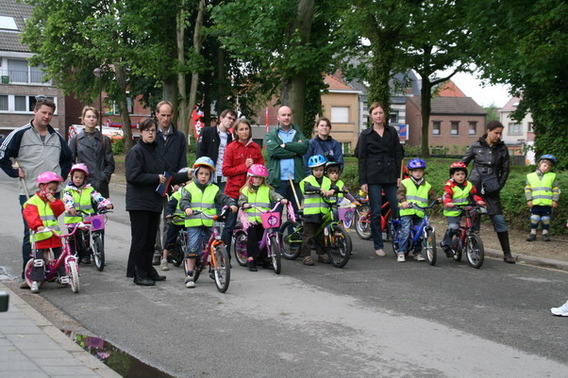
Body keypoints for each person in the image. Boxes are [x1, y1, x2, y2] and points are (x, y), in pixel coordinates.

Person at [0, 97, 73, 286]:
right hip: (30, 192)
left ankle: (53, 270)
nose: (47, 116)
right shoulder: (20, 134)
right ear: (35, 111)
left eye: (50, 113)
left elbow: (67, 158)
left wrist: (62, 176)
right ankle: (30, 274)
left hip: (52, 194)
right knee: (31, 233)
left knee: (52, 231)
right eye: (44, 112)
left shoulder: (56, 137)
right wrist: (15, 171)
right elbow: (2, 155)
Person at [125, 118, 191, 286]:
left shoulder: (157, 151)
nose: (150, 133)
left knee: (149, 240)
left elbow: (168, 175)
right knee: (141, 239)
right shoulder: (136, 151)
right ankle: (139, 274)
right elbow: (132, 176)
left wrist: (187, 175)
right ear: (141, 132)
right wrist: (155, 178)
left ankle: (148, 270)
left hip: (153, 201)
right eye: (147, 130)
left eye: (153, 130)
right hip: (139, 203)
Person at [461, 120, 515, 263]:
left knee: (499, 220)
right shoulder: (475, 146)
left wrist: (499, 186)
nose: (498, 136)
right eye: (496, 133)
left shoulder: (502, 149)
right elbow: (461, 166)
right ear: (488, 131)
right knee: (474, 221)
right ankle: (473, 250)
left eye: (500, 133)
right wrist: (459, 185)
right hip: (475, 188)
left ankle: (507, 253)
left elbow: (505, 170)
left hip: (492, 189)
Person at [179, 157, 237, 288]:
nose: (203, 176)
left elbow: (223, 198)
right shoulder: (189, 188)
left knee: (212, 245)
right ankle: (189, 274)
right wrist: (187, 208)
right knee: (193, 246)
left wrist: (231, 203)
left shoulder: (214, 189)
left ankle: (213, 267)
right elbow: (184, 201)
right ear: (195, 174)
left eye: (207, 174)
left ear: (211, 176)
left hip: (209, 221)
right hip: (193, 222)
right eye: (201, 174)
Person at [356, 102, 404, 257]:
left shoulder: (392, 132)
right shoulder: (365, 134)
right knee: (376, 212)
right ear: (371, 116)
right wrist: (363, 181)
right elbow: (361, 158)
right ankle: (378, 244)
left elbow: (398, 154)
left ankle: (399, 242)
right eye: (375, 113)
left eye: (380, 113)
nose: (378, 116)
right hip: (373, 176)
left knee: (396, 209)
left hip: (390, 175)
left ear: (384, 115)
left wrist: (399, 176)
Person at [152, 101, 188, 266]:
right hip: (155, 182)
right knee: (154, 219)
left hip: (173, 183)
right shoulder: (152, 134)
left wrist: (179, 181)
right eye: (162, 115)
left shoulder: (179, 136)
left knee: (170, 218)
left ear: (172, 115)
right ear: (157, 114)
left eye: (168, 115)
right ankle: (155, 250)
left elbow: (182, 161)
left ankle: (169, 248)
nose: (165, 118)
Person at [221, 118, 264, 250]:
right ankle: (224, 254)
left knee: (254, 224)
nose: (244, 132)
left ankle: (254, 254)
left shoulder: (255, 147)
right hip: (233, 192)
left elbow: (261, 169)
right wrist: (244, 167)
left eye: (246, 129)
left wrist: (255, 169)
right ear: (236, 132)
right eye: (241, 129)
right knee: (229, 225)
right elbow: (225, 170)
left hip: (251, 192)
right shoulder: (231, 148)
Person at [22, 172, 66, 293]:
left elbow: (60, 210)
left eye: (54, 190)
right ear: (42, 187)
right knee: (38, 259)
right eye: (50, 189)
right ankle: (35, 280)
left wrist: (53, 201)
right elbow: (30, 215)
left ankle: (62, 275)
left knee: (60, 257)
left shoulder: (52, 200)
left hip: (54, 235)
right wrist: (38, 226)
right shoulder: (33, 201)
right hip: (40, 236)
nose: (52, 192)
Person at [238, 164, 287, 271]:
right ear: (250, 177)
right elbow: (241, 200)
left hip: (264, 219)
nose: (258, 180)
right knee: (253, 239)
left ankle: (265, 259)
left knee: (265, 239)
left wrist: (281, 199)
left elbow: (275, 195)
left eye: (260, 178)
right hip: (251, 221)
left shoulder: (267, 189)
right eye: (255, 177)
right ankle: (251, 259)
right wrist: (244, 204)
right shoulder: (246, 190)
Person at [63, 163, 113, 264]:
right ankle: (72, 256)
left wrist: (107, 203)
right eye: (76, 177)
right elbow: (68, 200)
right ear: (72, 177)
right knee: (73, 239)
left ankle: (88, 254)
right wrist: (70, 207)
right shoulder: (68, 190)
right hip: (73, 218)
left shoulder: (89, 189)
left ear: (84, 179)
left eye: (80, 178)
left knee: (88, 236)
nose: (78, 180)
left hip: (87, 218)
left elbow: (98, 197)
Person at [265, 106, 309, 213]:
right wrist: (295, 151)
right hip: (278, 181)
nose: (286, 117)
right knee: (275, 214)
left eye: (289, 115)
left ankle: (292, 230)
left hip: (296, 180)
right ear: (278, 117)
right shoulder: (271, 134)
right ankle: (275, 231)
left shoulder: (297, 133)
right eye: (283, 115)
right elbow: (274, 151)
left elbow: (304, 147)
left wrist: (285, 145)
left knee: (295, 215)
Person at [396, 159, 438, 262]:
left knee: (419, 233)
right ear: (410, 172)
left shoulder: (427, 185)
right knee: (405, 230)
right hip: (407, 211)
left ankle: (417, 252)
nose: (418, 173)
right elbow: (400, 193)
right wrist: (403, 201)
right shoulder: (405, 183)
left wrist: (438, 199)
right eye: (415, 171)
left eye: (420, 171)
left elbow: (432, 195)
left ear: (423, 172)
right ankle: (401, 251)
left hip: (420, 212)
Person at [440, 162, 485, 257]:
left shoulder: (469, 184)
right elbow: (447, 195)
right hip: (453, 210)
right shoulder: (449, 185)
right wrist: (448, 202)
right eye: (457, 174)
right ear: (452, 175)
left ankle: (472, 239)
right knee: (453, 227)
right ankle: (445, 244)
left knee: (474, 219)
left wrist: (479, 201)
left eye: (462, 174)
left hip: (465, 208)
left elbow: (474, 195)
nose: (460, 176)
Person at [68, 106, 115, 198]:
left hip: (100, 185)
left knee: (99, 212)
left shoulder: (105, 140)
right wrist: (77, 176)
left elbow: (110, 163)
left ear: (97, 120)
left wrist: (104, 177)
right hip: (81, 184)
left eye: (94, 117)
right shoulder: (76, 139)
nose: (91, 119)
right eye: (88, 117)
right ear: (83, 119)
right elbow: (70, 161)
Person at [298, 155, 336, 266]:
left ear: (324, 169)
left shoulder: (327, 180)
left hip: (322, 212)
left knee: (320, 236)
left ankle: (321, 254)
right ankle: (306, 256)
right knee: (308, 235)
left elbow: (335, 186)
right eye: (316, 170)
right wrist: (319, 189)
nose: (318, 172)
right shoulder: (307, 180)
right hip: (310, 213)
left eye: (320, 169)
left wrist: (333, 190)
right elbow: (307, 188)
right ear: (311, 170)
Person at [196, 109, 236, 192]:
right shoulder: (207, 132)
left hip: (224, 177)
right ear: (221, 118)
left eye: (233, 119)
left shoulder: (232, 138)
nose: (231, 121)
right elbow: (200, 152)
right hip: (208, 175)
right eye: (229, 118)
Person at [160, 168, 191, 271]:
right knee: (170, 240)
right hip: (177, 221)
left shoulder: (194, 193)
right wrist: (169, 214)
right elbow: (170, 206)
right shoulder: (178, 194)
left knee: (194, 239)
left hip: (189, 222)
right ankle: (164, 258)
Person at [525, 154, 560, 242]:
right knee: (534, 218)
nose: (546, 168)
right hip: (535, 202)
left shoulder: (552, 176)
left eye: (548, 167)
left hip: (547, 203)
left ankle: (545, 234)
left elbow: (556, 189)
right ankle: (533, 233)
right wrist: (529, 199)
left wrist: (555, 200)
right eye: (545, 165)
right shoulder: (531, 176)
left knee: (546, 219)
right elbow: (527, 189)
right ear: (539, 164)